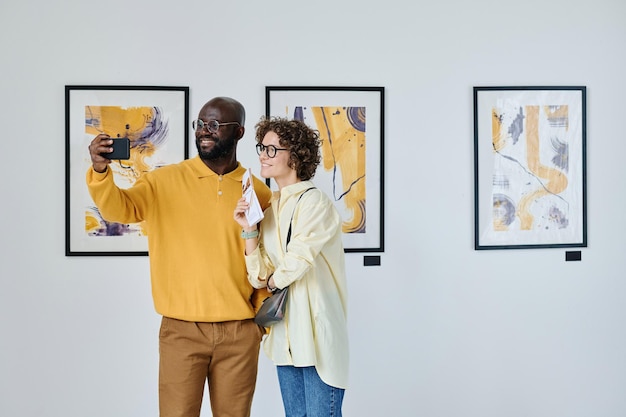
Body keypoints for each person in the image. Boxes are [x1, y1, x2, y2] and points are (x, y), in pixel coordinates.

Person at [86, 97, 273, 417]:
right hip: (181, 331)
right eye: (200, 124)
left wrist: (259, 324)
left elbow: (264, 260)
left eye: (214, 125)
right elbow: (120, 209)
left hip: (239, 333)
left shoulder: (258, 192)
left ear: (238, 132)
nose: (204, 131)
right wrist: (101, 170)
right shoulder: (162, 181)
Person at [233, 117, 349, 417]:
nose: (262, 154)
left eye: (272, 149)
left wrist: (272, 282)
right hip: (286, 336)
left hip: (315, 334)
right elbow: (258, 275)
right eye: (262, 147)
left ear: (295, 155)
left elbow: (298, 259)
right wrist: (248, 230)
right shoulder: (271, 207)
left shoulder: (315, 203)